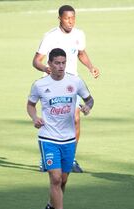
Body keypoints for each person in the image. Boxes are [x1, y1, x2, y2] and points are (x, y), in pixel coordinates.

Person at [27, 48, 94, 209]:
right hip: (47, 137)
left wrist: (87, 108)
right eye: (56, 63)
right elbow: (31, 105)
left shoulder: (75, 81)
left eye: (63, 63)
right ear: (49, 64)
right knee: (55, 178)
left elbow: (90, 100)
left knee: (63, 180)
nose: (60, 66)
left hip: (69, 139)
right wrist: (35, 118)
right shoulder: (40, 85)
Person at [33, 4, 99, 173]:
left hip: (71, 84)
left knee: (75, 120)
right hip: (52, 84)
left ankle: (69, 159)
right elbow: (36, 61)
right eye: (67, 18)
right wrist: (45, 69)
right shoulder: (50, 37)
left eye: (73, 18)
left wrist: (91, 67)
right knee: (53, 122)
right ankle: (45, 159)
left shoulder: (79, 34)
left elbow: (81, 53)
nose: (71, 22)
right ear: (60, 19)